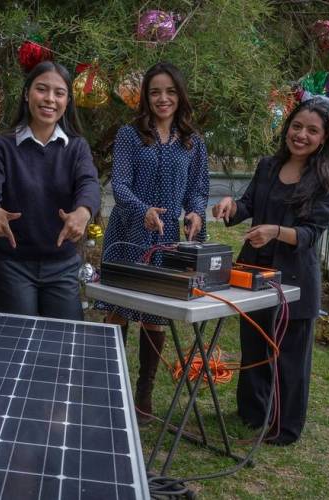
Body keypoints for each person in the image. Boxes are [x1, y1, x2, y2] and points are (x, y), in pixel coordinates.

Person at [211, 98, 329, 445]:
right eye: (297, 127)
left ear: (324, 138)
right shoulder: (268, 165)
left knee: (289, 357)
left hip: (295, 277)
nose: (301, 135)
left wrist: (273, 231)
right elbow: (248, 205)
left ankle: (285, 427)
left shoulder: (327, 179)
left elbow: (311, 233)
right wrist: (230, 205)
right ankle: (253, 413)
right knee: (254, 344)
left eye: (312, 130)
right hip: (253, 271)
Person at [96, 61, 210, 425]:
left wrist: (195, 214)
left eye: (170, 91)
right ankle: (110, 387)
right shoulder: (131, 135)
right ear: (146, 96)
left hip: (167, 239)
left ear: (180, 95)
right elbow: (121, 184)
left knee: (155, 314)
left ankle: (143, 391)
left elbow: (197, 191)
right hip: (129, 231)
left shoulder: (193, 141)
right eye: (156, 91)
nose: (163, 98)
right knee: (118, 308)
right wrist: (143, 209)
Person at [0, 61, 100, 321]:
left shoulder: (77, 147)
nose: (50, 99)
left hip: (63, 265)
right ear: (26, 93)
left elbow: (89, 184)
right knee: (19, 346)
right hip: (13, 266)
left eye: (59, 93)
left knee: (65, 344)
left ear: (67, 101)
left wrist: (84, 211)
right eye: (42, 89)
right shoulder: (2, 146)